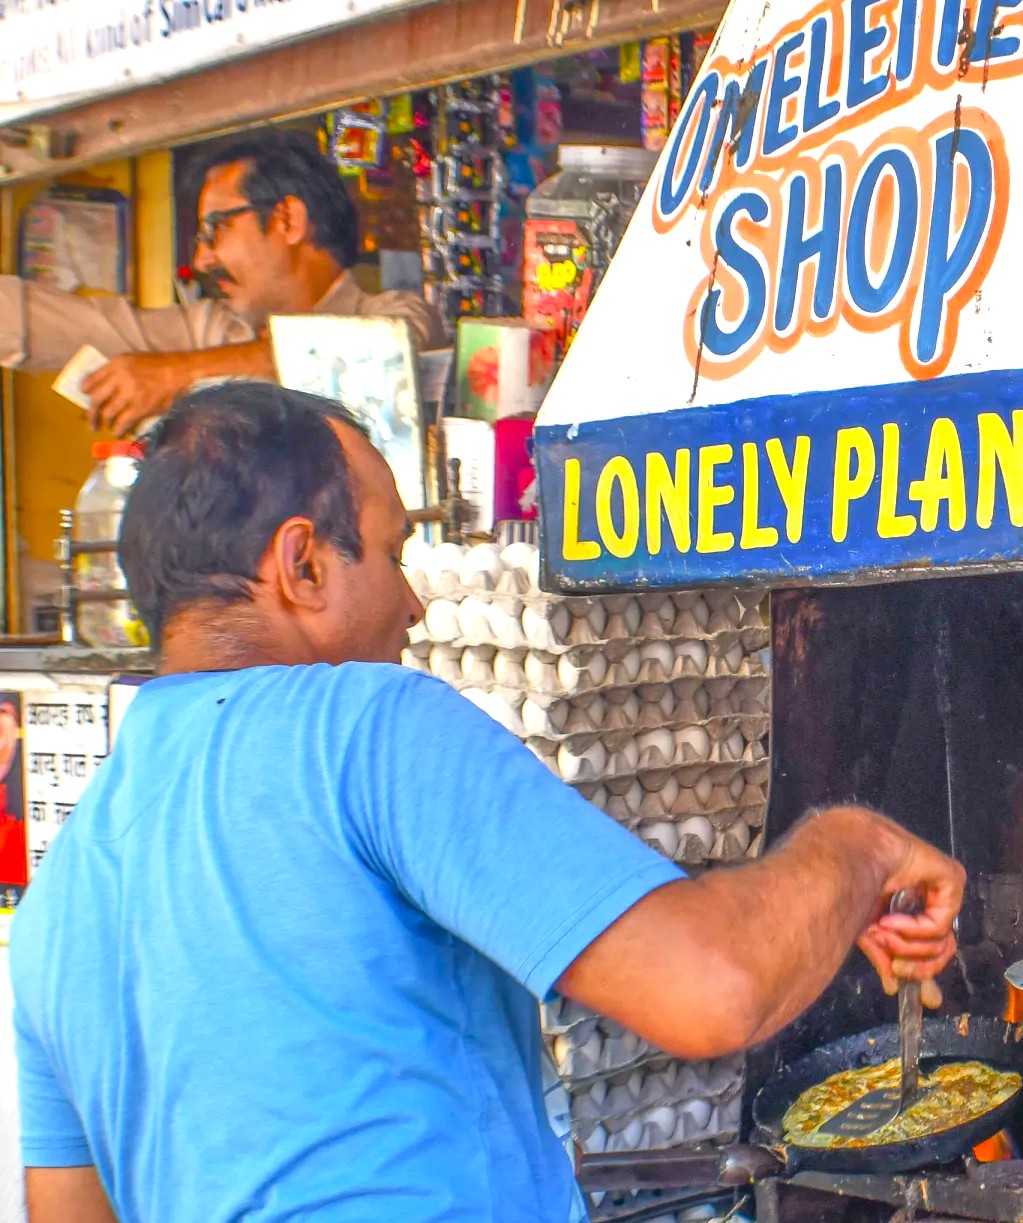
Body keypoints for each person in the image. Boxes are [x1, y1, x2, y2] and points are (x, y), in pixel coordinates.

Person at [8, 382, 965, 1223]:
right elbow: (713, 988)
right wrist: (857, 845)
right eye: (390, 553)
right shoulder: (360, 725)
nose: (416, 605)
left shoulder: (63, 893)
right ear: (301, 565)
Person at [0, 132, 446, 438]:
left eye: (215, 230)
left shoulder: (398, 315)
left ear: (288, 220)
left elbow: (377, 358)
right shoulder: (214, 331)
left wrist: (178, 375)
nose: (202, 259)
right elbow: (36, 322)